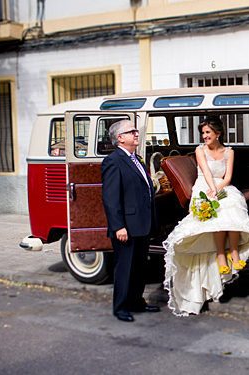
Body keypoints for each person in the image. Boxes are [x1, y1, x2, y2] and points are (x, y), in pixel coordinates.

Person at [163, 115, 249, 316]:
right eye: (203, 133)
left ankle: (233, 251)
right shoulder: (200, 150)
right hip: (204, 187)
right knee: (217, 213)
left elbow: (228, 177)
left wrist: (219, 188)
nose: (205, 136)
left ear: (218, 133)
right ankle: (220, 255)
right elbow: (206, 173)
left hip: (222, 185)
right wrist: (212, 190)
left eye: (208, 132)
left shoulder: (229, 152)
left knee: (233, 202)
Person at [101, 119, 160, 322]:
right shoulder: (113, 161)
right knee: (124, 268)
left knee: (139, 268)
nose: (136, 133)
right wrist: (118, 226)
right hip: (126, 226)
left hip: (142, 223)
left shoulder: (138, 158)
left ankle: (137, 302)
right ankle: (121, 307)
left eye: (136, 130)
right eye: (131, 131)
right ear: (120, 138)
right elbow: (111, 198)